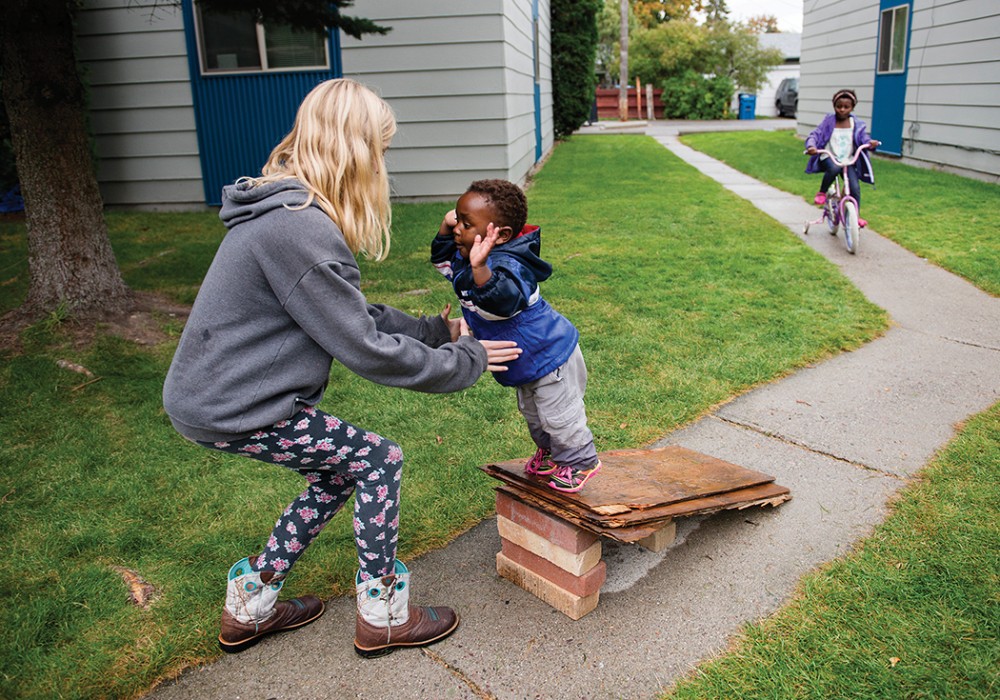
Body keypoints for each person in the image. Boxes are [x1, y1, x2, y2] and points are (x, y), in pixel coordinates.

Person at [162, 79, 521, 657]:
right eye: (380, 149)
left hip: (214, 395)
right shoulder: (298, 227)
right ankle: (381, 615)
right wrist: (468, 359)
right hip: (234, 402)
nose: (383, 163)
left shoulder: (289, 212)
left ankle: (251, 605)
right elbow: (367, 348)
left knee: (339, 470)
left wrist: (437, 329)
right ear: (355, 152)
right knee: (379, 458)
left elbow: (350, 311)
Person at [431, 179, 601, 493]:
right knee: (535, 416)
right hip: (526, 362)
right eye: (457, 218)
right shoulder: (469, 257)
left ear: (502, 235)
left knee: (559, 416)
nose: (457, 229)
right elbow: (443, 262)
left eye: (466, 224)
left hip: (551, 356)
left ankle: (580, 461)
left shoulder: (511, 265)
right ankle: (552, 454)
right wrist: (445, 228)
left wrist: (481, 267)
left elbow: (504, 299)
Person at [805, 89, 880, 227]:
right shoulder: (828, 122)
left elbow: (863, 138)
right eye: (838, 106)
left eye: (846, 107)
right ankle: (822, 191)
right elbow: (815, 135)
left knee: (855, 188)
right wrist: (811, 146)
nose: (842, 110)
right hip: (830, 156)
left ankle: (855, 215)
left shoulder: (856, 124)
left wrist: (870, 144)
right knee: (834, 168)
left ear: (852, 108)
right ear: (834, 106)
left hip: (848, 159)